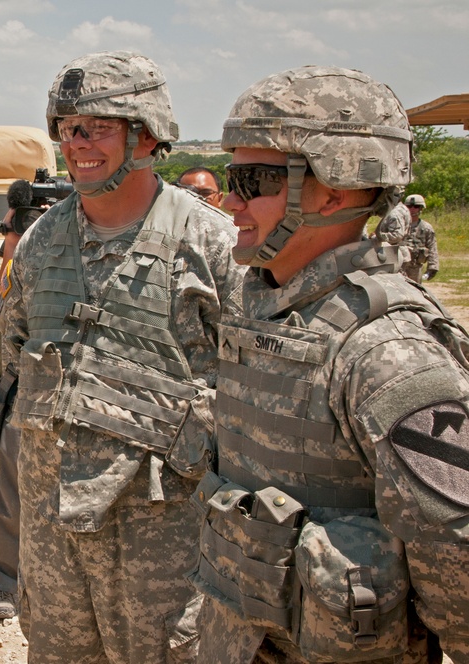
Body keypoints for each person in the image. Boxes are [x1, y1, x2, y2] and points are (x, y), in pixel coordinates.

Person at [191, 65, 469, 663]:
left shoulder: (388, 352)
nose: (230, 201)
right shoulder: (261, 307)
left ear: (335, 190)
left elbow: (458, 553)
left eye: (253, 180)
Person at [0, 50, 244, 662]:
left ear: (148, 135)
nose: (79, 143)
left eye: (99, 127)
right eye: (68, 129)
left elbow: (258, 390)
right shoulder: (41, 241)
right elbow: (13, 344)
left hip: (165, 540)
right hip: (54, 533)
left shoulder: (212, 243)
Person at [0, 181, 44, 621]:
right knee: (14, 486)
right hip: (32, 382)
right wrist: (15, 239)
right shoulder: (20, 251)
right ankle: (3, 580)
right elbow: (7, 311)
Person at [399, 194, 440, 283]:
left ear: (421, 208)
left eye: (416, 206)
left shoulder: (426, 228)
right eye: (409, 206)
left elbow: (432, 248)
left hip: (415, 268)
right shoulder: (398, 225)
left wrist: (432, 267)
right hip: (398, 266)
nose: (412, 209)